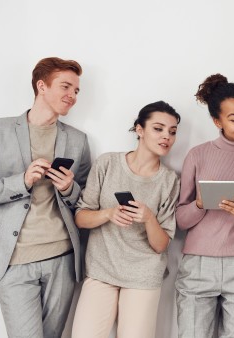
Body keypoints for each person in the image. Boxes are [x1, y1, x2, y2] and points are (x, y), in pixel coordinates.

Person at [0, 57, 91, 337]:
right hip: (13, 261)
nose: (72, 96)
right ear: (41, 86)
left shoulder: (78, 140)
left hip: (62, 259)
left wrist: (69, 188)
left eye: (77, 91)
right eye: (66, 87)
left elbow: (85, 203)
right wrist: (21, 181)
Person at [71, 101, 181, 338]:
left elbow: (161, 245)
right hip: (101, 269)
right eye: (158, 129)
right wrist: (109, 213)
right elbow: (80, 217)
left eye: (172, 132)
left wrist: (149, 218)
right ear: (139, 130)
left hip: (143, 275)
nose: (167, 137)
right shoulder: (107, 163)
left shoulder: (169, 180)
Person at [175, 74, 234, 338]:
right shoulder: (198, 155)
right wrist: (200, 204)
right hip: (198, 265)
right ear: (217, 122)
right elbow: (180, 219)